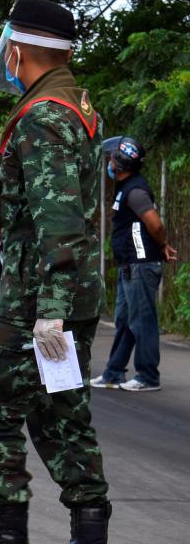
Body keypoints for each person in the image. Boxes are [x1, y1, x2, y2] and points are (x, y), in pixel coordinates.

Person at [0, 0, 117, 544]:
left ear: (18, 49)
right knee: (58, 412)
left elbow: (59, 220)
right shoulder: (70, 103)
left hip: (40, 301)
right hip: (67, 293)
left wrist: (49, 311)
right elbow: (50, 193)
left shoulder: (42, 115)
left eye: (10, 50)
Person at [91, 137, 177, 392]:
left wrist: (162, 245)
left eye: (111, 158)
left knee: (142, 323)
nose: (108, 161)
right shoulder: (125, 187)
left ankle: (148, 376)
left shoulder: (135, 191)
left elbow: (155, 224)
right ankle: (113, 373)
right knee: (126, 322)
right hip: (130, 266)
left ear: (120, 163)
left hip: (140, 265)